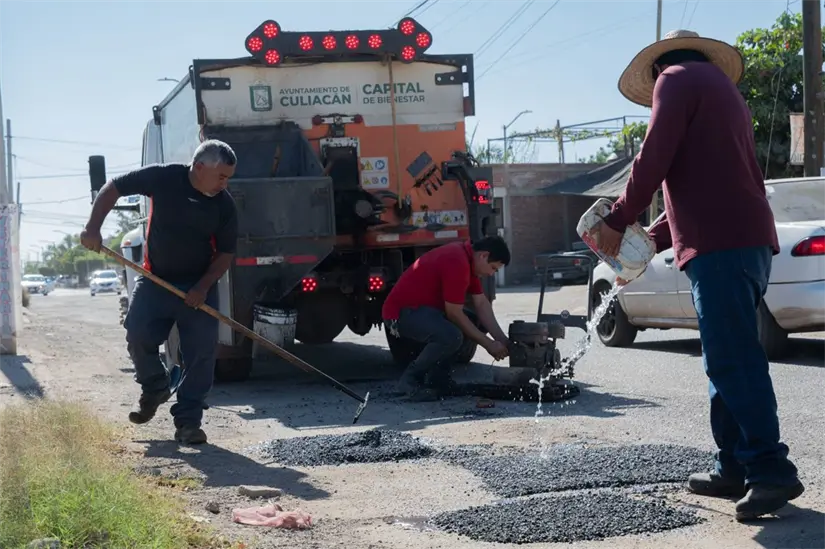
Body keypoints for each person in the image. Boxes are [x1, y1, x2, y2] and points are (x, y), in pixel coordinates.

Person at [591, 30, 803, 521]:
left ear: (658, 69)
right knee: (724, 357)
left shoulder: (676, 80)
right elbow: (703, 186)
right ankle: (733, 465)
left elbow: (652, 158)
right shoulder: (720, 91)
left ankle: (771, 470)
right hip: (743, 239)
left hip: (723, 245)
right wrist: (646, 242)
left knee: (734, 360)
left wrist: (618, 219)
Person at [80, 140, 239, 445]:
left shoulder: (224, 205)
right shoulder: (164, 178)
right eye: (221, 176)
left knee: (201, 355)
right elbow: (113, 187)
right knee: (137, 333)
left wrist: (202, 287)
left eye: (228, 177)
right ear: (199, 167)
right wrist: (93, 227)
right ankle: (154, 386)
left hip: (198, 287)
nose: (225, 183)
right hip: (156, 280)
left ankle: (189, 422)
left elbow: (226, 255)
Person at [382, 236, 511, 401]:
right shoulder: (456, 261)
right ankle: (409, 381)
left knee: (471, 322)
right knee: (451, 335)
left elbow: (481, 304)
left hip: (422, 311)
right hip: (399, 315)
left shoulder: (467, 258)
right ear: (483, 256)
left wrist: (503, 341)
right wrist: (488, 344)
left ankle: (439, 380)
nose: (491, 274)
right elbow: (454, 314)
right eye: (493, 268)